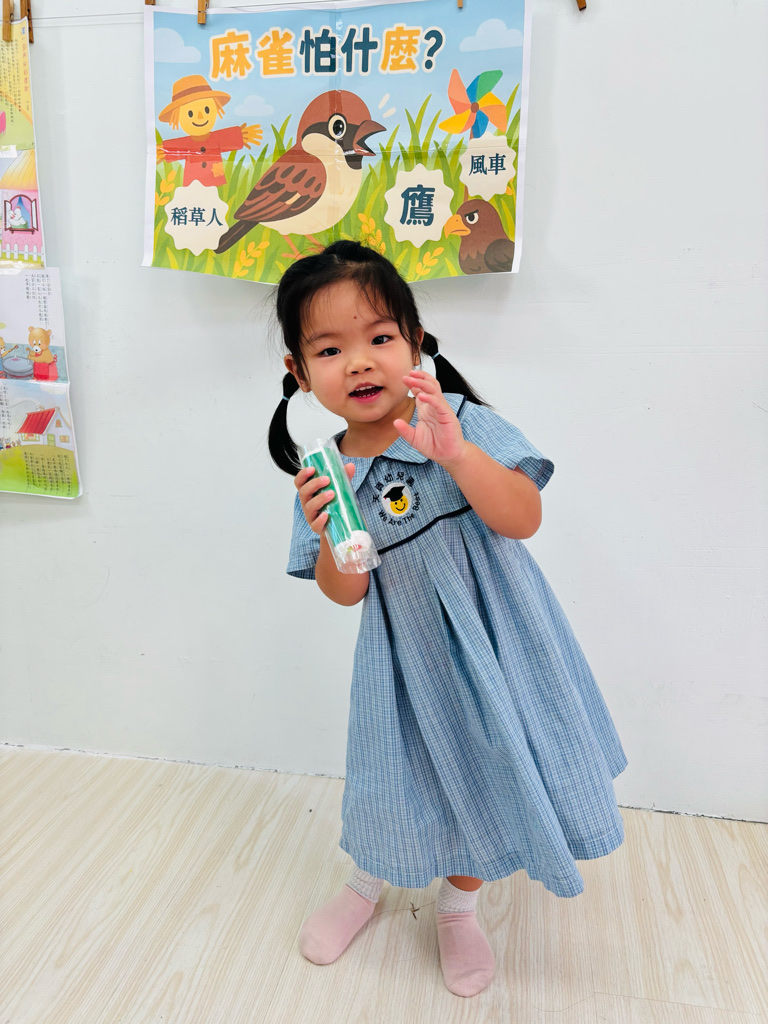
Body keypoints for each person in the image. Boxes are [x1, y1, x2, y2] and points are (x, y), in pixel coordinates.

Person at [268, 240, 628, 998]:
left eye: (379, 337)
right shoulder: (326, 474)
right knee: (394, 779)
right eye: (329, 350)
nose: (358, 362)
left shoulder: (459, 421)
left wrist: (458, 455)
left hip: (501, 646)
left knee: (488, 771)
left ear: (416, 341)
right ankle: (365, 884)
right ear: (300, 374)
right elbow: (344, 594)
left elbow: (523, 518)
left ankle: (460, 906)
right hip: (406, 664)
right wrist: (334, 534)